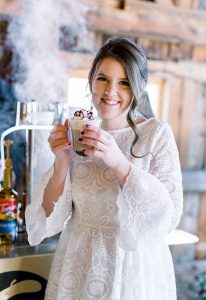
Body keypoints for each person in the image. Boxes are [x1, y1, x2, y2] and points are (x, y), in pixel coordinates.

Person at [25, 37, 183, 300]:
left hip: (132, 269)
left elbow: (168, 216)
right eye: (103, 79)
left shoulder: (157, 134)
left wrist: (118, 161)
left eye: (123, 82)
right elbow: (48, 217)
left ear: (140, 88)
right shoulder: (78, 131)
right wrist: (62, 160)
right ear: (91, 82)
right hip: (79, 261)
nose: (110, 91)